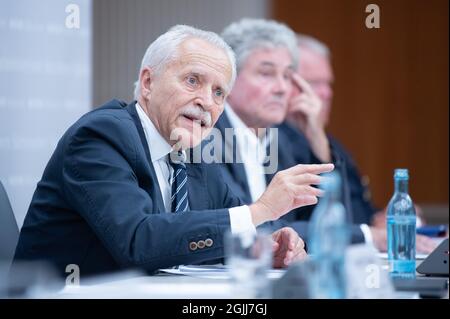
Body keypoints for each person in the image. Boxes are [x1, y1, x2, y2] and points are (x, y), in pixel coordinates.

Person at [13, 25, 334, 278]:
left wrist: (268, 245)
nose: (207, 101)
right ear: (148, 82)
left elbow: (216, 231)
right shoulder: (101, 136)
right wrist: (261, 209)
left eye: (219, 92)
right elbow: (138, 242)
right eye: (193, 81)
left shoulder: (194, 152)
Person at [282, 34, 436, 252]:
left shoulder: (330, 142)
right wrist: (371, 232)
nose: (327, 93)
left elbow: (353, 208)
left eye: (328, 83)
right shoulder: (275, 141)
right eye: (314, 83)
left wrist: (381, 219)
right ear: (287, 84)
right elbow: (317, 218)